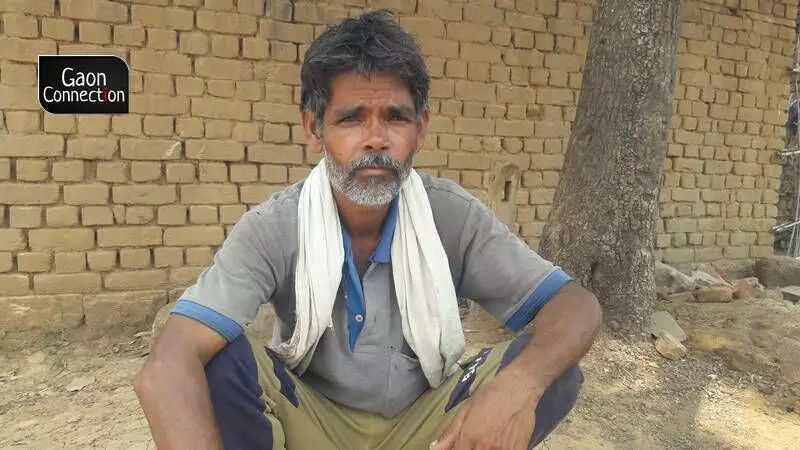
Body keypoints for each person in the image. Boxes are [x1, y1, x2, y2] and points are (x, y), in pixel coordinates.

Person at [133, 10, 603, 450]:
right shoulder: (274, 227)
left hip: (427, 425)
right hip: (311, 424)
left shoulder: (450, 216)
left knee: (551, 372)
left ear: (420, 128)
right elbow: (167, 367)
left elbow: (575, 306)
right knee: (218, 361)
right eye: (351, 118)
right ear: (314, 131)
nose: (375, 138)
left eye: (395, 117)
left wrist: (516, 388)